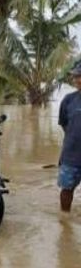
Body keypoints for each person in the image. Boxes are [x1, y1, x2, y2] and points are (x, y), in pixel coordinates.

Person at [58, 62, 81, 213]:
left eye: (80, 76)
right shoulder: (68, 100)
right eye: (76, 76)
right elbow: (64, 124)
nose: (77, 79)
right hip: (71, 156)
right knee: (66, 190)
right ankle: (65, 223)